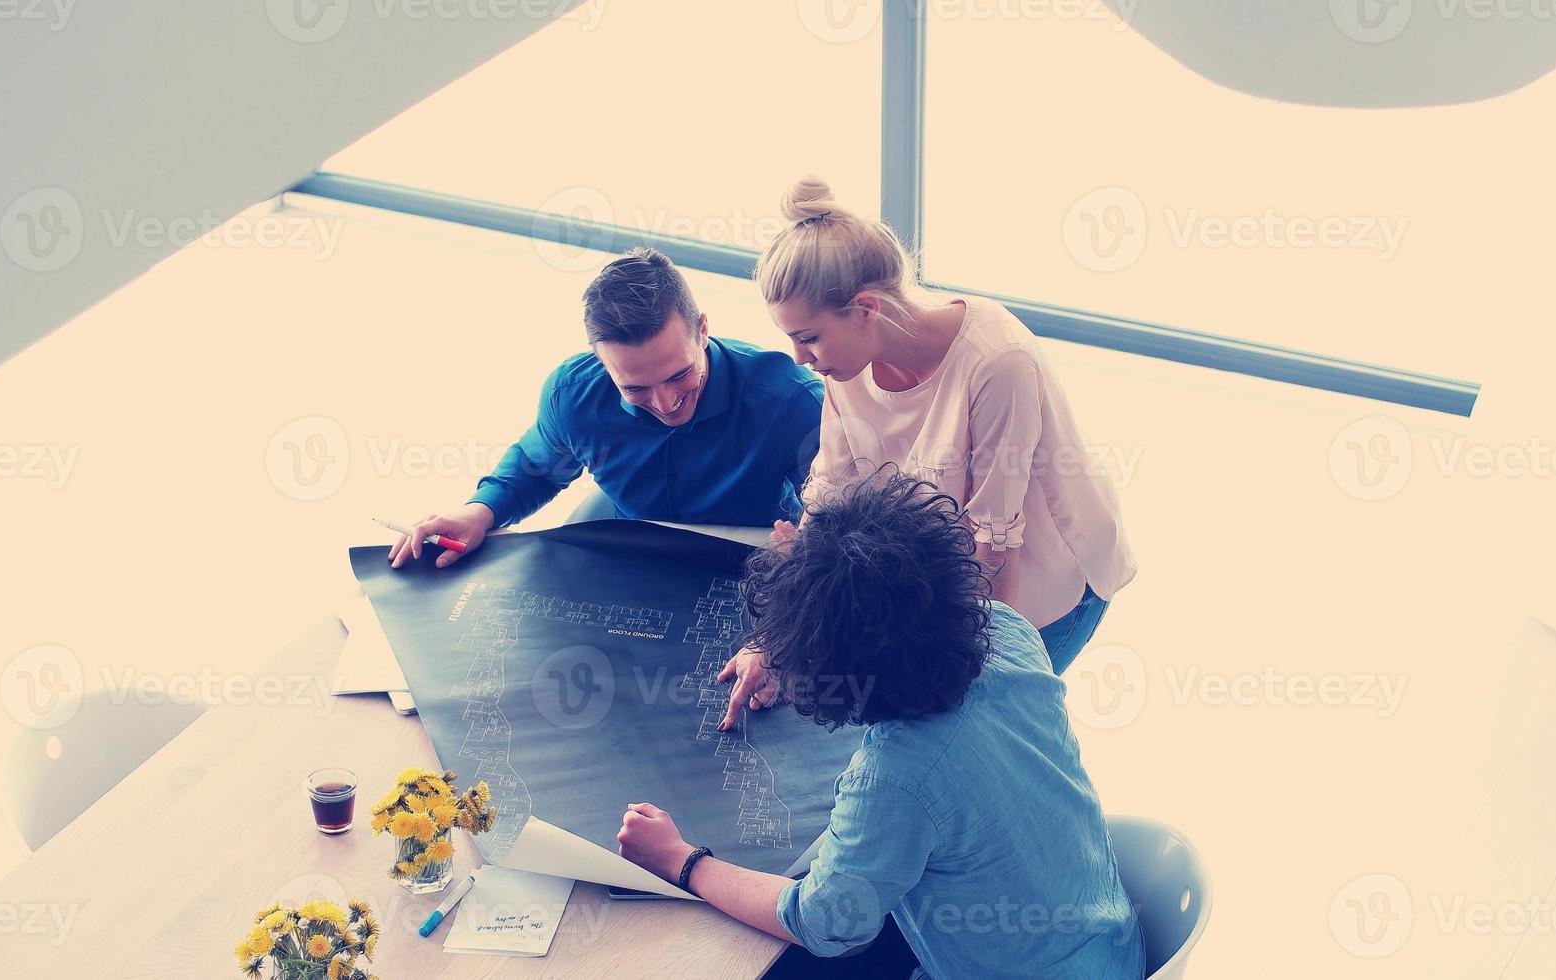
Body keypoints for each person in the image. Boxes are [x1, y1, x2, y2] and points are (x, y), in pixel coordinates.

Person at [616, 471, 1146, 980]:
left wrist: (681, 861)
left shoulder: (894, 779)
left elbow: (823, 925)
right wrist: (791, 648)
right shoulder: (1010, 633)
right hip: (1107, 952)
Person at [720, 177, 1132, 691]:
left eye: (809, 338)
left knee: (985, 729)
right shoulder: (846, 364)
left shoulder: (997, 362)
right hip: (954, 558)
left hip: (1046, 579)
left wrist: (979, 684)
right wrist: (778, 640)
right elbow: (831, 494)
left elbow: (993, 544)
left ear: (866, 309)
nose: (800, 358)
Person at [389, 247, 823, 569]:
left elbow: (841, 520)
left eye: (679, 375)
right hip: (631, 555)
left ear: (703, 330)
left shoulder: (792, 400)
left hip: (756, 563)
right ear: (601, 360)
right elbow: (534, 468)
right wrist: (477, 512)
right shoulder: (573, 393)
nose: (666, 403)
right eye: (635, 388)